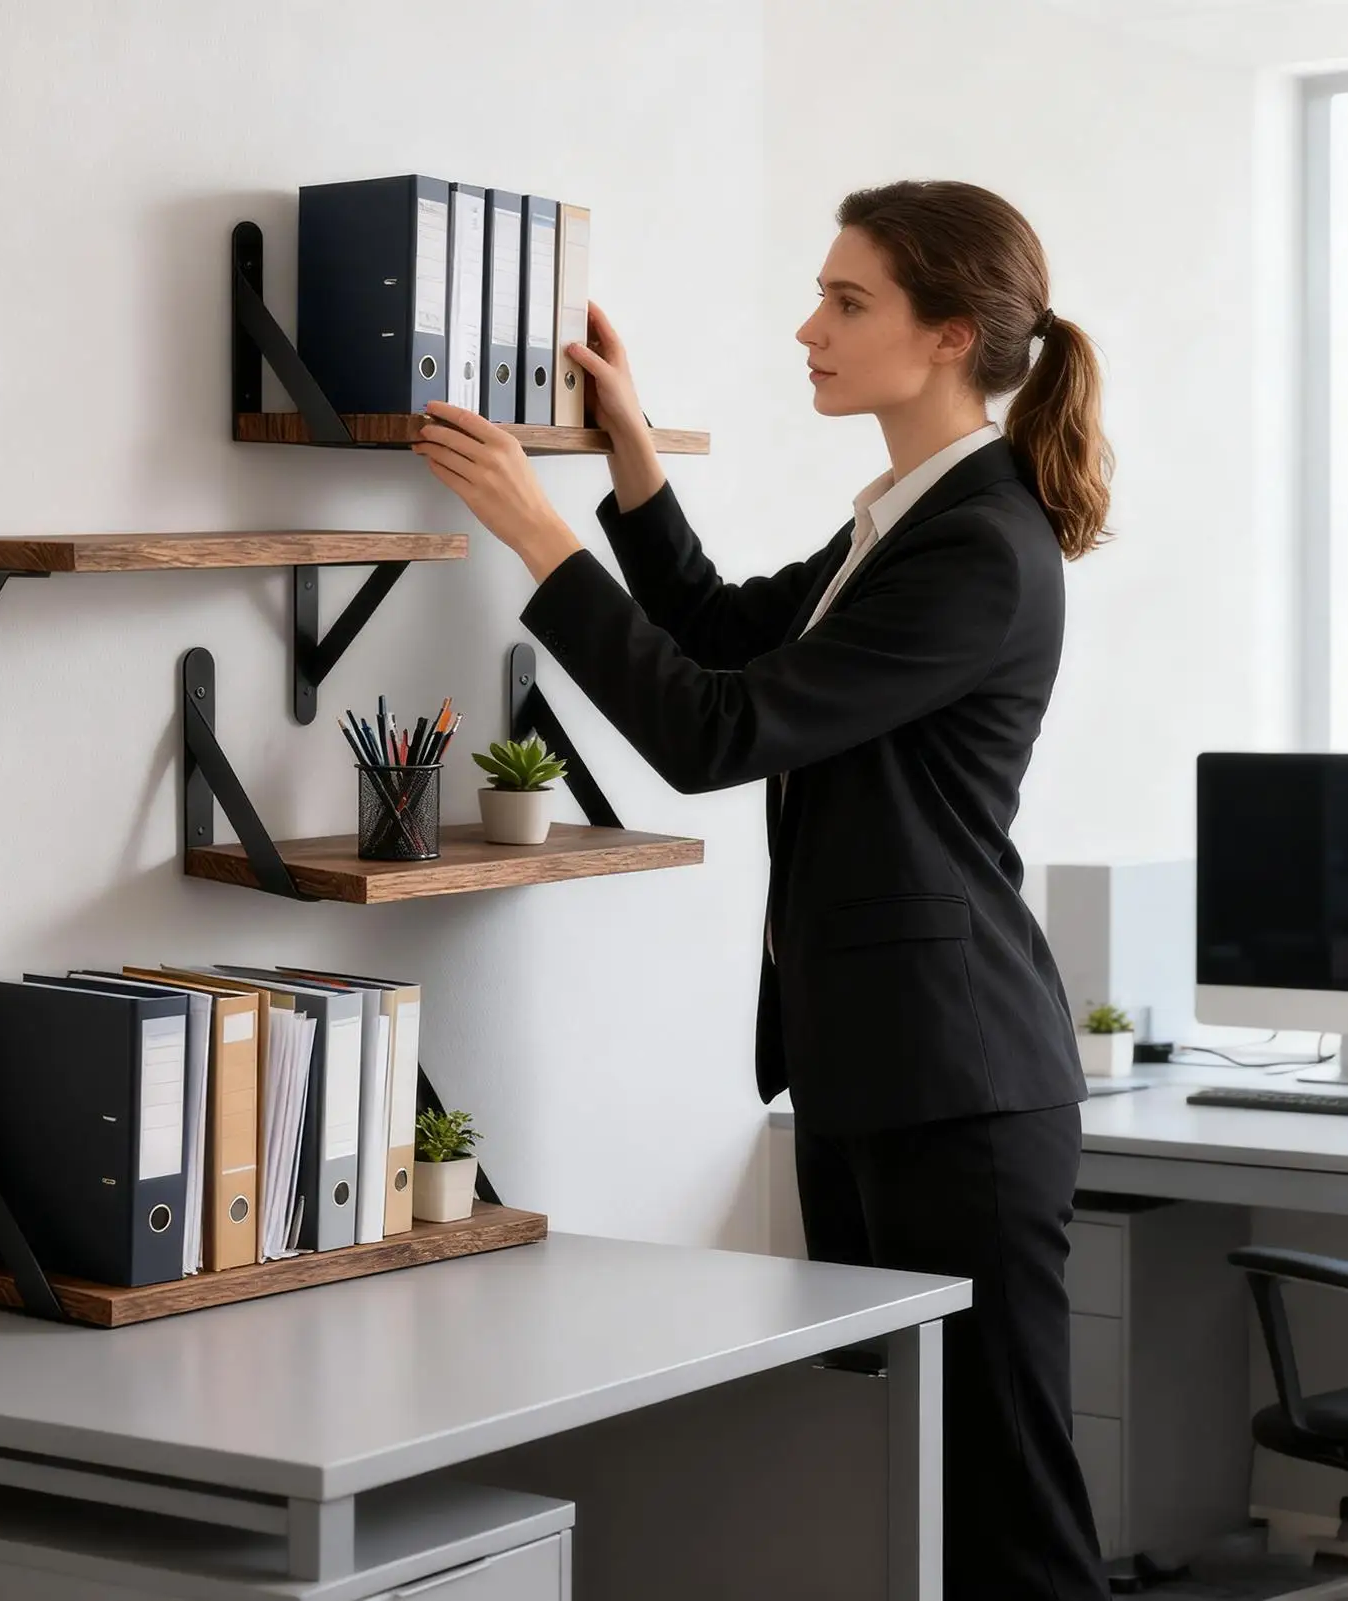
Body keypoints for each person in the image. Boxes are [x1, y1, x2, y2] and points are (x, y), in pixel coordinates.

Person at [412, 178, 1113, 1601]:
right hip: (876, 1067)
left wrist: (537, 538)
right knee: (893, 1479)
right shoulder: (906, 517)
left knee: (1001, 1510)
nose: (809, 326)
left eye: (847, 301)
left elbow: (712, 733)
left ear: (946, 335)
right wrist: (628, 470)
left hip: (958, 1086)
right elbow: (731, 643)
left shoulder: (978, 546)